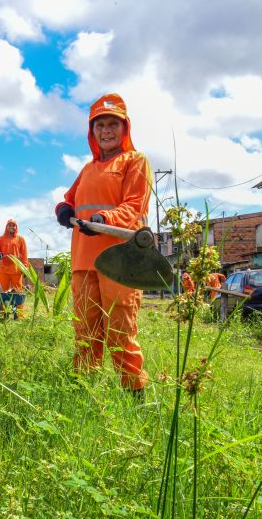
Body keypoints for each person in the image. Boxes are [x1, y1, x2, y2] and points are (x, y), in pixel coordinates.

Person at [55, 93, 152, 395]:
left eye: (113, 124)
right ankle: (86, 390)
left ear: (125, 129)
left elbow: (134, 206)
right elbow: (69, 199)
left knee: (121, 331)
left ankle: (134, 395)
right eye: (100, 125)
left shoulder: (135, 162)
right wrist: (63, 208)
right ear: (92, 131)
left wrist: (103, 219)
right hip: (84, 262)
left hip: (120, 261)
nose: (107, 131)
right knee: (85, 331)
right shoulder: (88, 168)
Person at [0, 219, 29, 315]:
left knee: (18, 293)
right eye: (10, 225)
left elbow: (24, 255)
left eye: (14, 225)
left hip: (16, 270)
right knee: (3, 292)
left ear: (16, 227)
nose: (12, 227)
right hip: (3, 270)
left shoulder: (20, 239)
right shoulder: (0, 239)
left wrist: (25, 268)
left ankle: (19, 313)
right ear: (6, 227)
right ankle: (2, 312)